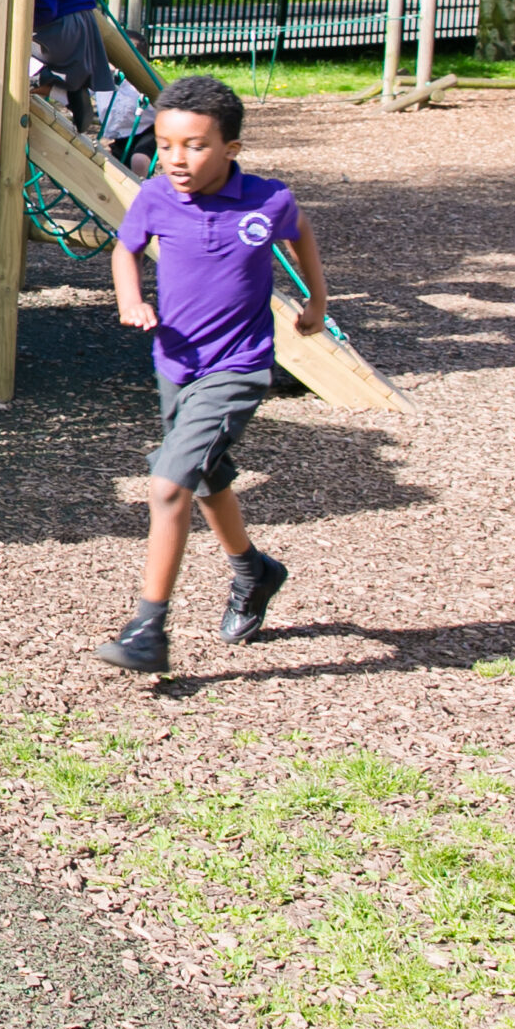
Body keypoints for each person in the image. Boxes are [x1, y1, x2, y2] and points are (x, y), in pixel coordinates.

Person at [97, 75, 327, 674]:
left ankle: (148, 626)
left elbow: (299, 232)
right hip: (175, 361)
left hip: (239, 366)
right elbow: (126, 248)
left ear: (231, 149)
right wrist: (131, 298)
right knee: (206, 478)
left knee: (169, 484)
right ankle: (255, 571)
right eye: (167, 143)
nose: (177, 158)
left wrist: (317, 302)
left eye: (195, 145)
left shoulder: (266, 201)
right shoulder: (154, 196)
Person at [32, 0, 114, 133]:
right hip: (88, 24)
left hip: (62, 28)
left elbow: (45, 9)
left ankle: (58, 85)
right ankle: (70, 91)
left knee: (2, 57)